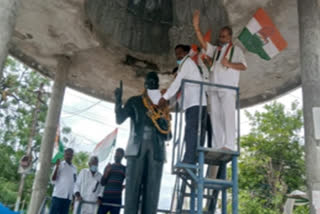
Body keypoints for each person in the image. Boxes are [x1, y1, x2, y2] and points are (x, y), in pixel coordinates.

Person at [115, 72, 171, 214]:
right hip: (136, 147)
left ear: (157, 85)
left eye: (155, 82)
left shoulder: (162, 106)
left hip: (157, 150)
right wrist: (118, 101)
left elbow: (168, 135)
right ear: (145, 84)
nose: (152, 84)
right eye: (149, 81)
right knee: (132, 192)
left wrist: (162, 120)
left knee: (152, 194)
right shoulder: (134, 101)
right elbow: (119, 119)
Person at [192, 10, 247, 151]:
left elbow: (243, 66)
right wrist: (196, 27)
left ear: (230, 37)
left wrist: (229, 64)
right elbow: (204, 44)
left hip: (228, 88)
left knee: (228, 116)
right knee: (215, 117)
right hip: (213, 88)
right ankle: (218, 145)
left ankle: (229, 145)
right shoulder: (216, 50)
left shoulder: (236, 50)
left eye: (223, 37)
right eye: (220, 37)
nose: (221, 39)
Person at [159, 44, 207, 164]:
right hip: (194, 103)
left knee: (191, 131)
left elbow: (177, 83)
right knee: (193, 131)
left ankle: (189, 159)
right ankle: (192, 158)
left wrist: (164, 98)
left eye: (180, 53)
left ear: (186, 53)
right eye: (176, 54)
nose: (178, 55)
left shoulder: (186, 63)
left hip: (195, 102)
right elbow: (177, 89)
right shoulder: (185, 64)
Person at [97, 148, 126, 214]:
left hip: (117, 198)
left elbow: (130, 180)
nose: (116, 155)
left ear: (122, 156)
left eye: (119, 153)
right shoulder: (109, 166)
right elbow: (102, 183)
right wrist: (106, 172)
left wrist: (124, 186)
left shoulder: (124, 168)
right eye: (116, 154)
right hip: (106, 197)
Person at [49, 148, 77, 214]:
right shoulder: (60, 164)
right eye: (67, 154)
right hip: (58, 196)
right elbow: (53, 179)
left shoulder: (75, 168)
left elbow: (74, 183)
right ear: (64, 155)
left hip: (68, 198)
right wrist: (57, 167)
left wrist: (73, 199)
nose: (68, 156)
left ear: (72, 156)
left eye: (70, 155)